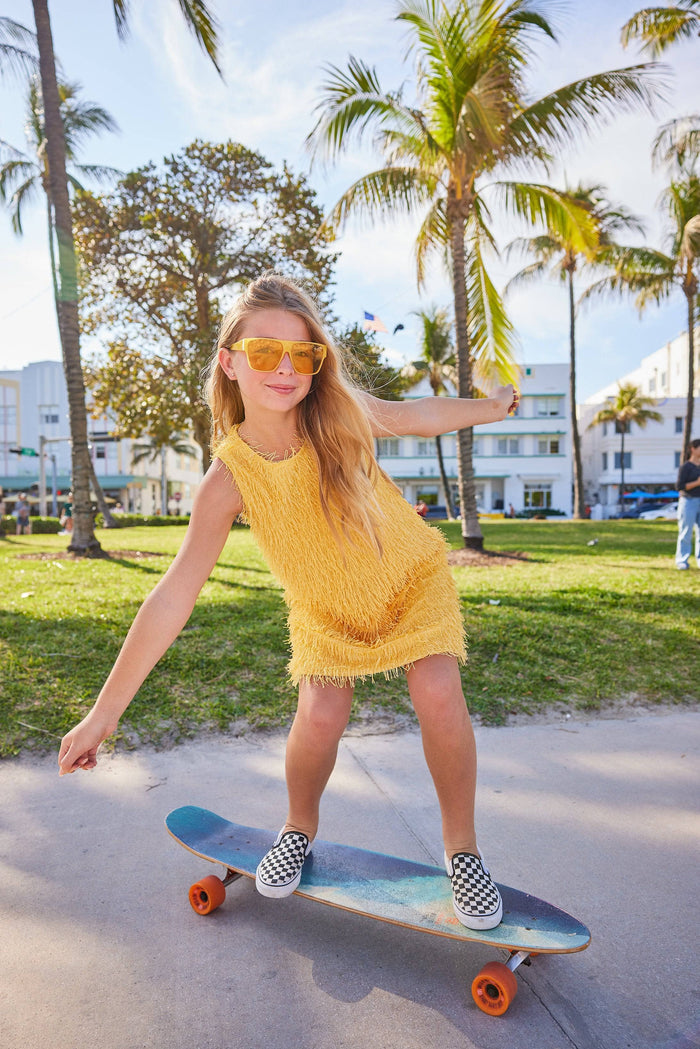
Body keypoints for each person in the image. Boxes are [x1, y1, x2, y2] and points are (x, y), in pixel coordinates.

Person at [58, 272, 519, 932]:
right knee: (323, 711)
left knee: (438, 690)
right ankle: (298, 828)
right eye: (264, 352)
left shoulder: (338, 412)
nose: (285, 368)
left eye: (301, 355)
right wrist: (104, 714)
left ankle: (462, 850)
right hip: (325, 606)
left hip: (412, 578)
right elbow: (173, 596)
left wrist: (492, 405)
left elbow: (419, 416)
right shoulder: (227, 477)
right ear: (229, 362)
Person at [675, 438, 700, 570]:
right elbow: (680, 486)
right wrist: (697, 483)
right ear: (693, 449)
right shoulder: (686, 467)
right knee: (686, 532)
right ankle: (682, 560)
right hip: (688, 501)